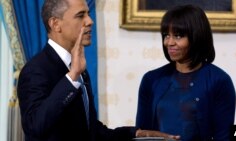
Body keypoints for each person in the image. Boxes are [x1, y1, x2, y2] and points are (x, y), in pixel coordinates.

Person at [17, 0, 180, 141]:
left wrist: (138, 133)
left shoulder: (79, 69)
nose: (89, 21)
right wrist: (72, 76)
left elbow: (92, 132)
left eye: (88, 14)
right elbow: (34, 127)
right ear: (55, 24)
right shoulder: (36, 70)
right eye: (80, 15)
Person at [135, 4, 236, 141]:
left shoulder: (220, 81)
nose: (169, 42)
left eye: (177, 36)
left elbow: (224, 136)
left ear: (196, 37)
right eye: (166, 35)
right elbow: (141, 134)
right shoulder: (151, 79)